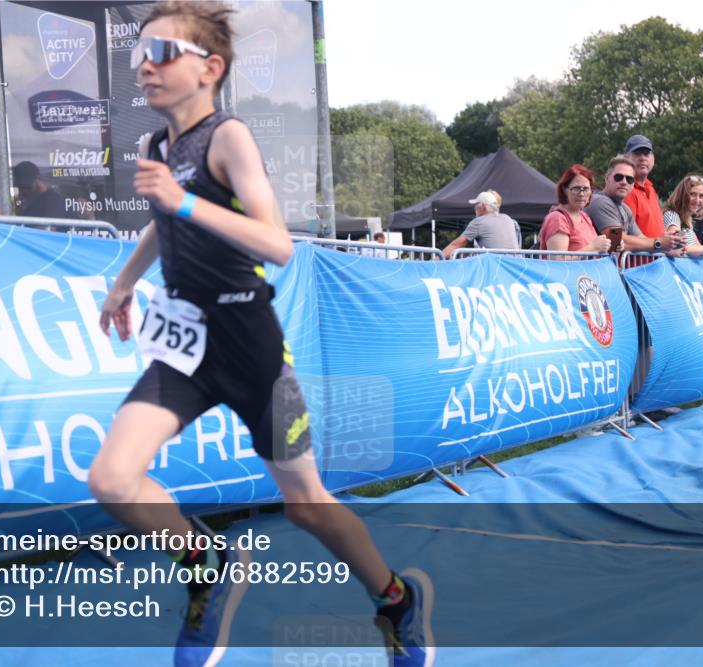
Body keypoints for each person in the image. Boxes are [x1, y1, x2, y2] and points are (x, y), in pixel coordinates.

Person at [89, 3, 434, 667]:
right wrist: (124, 283)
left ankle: (395, 600)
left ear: (209, 68)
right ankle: (207, 564)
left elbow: (277, 245)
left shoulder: (229, 138)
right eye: (139, 53)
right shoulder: (155, 148)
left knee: (306, 505)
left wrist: (186, 201)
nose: (144, 66)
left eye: (161, 52)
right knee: (112, 477)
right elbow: (163, 222)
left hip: (251, 345)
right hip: (187, 345)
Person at [585, 155, 681, 253]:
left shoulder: (625, 208)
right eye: (618, 177)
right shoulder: (600, 202)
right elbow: (617, 240)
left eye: (629, 179)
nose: (624, 182)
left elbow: (641, 239)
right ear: (607, 178)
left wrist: (670, 245)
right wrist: (659, 243)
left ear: (633, 184)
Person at [538, 164, 611, 253]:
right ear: (564, 190)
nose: (581, 194)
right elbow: (558, 259)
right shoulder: (557, 218)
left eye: (586, 189)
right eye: (576, 188)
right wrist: (593, 247)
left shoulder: (584, 216)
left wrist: (608, 245)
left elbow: (593, 250)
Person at [441, 189, 521, 258]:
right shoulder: (508, 219)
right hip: (516, 266)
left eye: (476, 204)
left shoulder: (479, 222)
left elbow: (455, 245)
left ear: (483, 206)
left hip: (496, 267)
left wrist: (436, 259)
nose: (474, 207)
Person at [662, 176, 703, 256]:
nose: (697, 200)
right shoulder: (672, 215)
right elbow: (677, 247)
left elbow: (696, 248)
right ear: (682, 195)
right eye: (693, 194)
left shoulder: (687, 220)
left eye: (701, 196)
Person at [622, 135, 666, 238]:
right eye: (637, 153)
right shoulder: (626, 190)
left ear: (653, 159)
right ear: (626, 159)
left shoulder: (650, 188)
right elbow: (627, 235)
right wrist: (659, 244)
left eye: (646, 154)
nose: (642, 158)